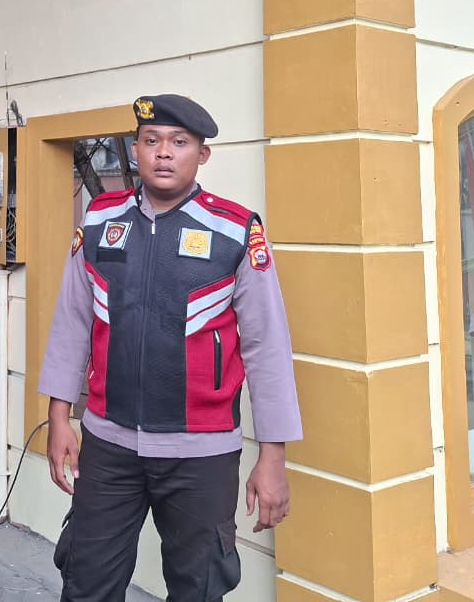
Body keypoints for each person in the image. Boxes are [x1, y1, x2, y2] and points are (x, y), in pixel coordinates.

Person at [40, 94, 302, 602]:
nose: (163, 152)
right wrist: (58, 417)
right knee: (85, 583)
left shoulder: (235, 231)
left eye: (179, 142)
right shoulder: (99, 219)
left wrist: (273, 456)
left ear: (201, 154)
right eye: (151, 140)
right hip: (108, 446)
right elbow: (72, 322)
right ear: (135, 150)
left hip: (201, 455)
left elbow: (266, 347)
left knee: (198, 589)